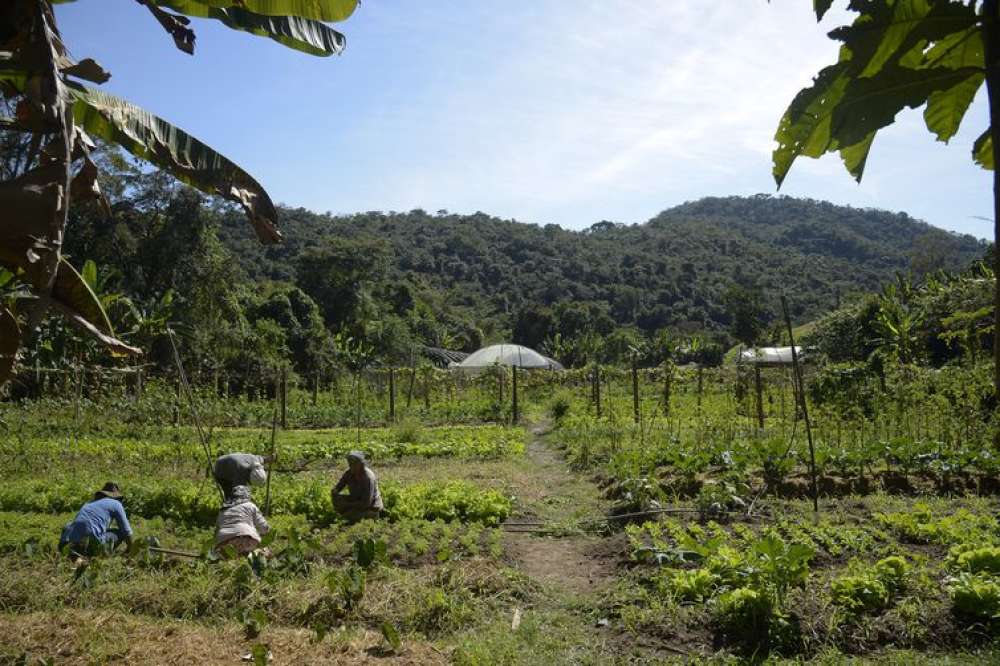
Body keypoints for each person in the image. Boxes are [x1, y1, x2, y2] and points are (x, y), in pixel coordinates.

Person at [59, 482, 133, 556]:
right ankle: (97, 551)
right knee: (120, 533)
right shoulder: (116, 503)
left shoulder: (88, 504)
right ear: (116, 497)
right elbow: (126, 531)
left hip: (66, 543)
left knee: (70, 525)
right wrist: (131, 549)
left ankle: (71, 549)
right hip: (90, 545)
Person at [214, 485, 270, 556]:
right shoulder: (250, 505)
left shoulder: (222, 510)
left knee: (225, 555)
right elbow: (264, 527)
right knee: (264, 552)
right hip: (245, 538)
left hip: (224, 543)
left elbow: (216, 530)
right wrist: (265, 535)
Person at [330, 451, 383, 523]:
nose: (351, 466)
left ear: (361, 464)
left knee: (346, 517)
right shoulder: (349, 473)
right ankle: (348, 512)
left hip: (370, 508)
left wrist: (347, 505)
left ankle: (371, 517)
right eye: (350, 464)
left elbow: (366, 503)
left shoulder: (368, 478)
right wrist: (335, 491)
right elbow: (340, 485)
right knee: (338, 499)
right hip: (356, 500)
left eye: (354, 464)